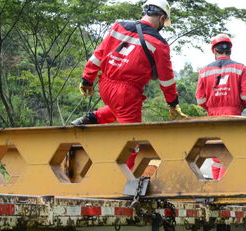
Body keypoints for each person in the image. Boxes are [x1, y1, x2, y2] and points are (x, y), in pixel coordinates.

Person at [72, 1, 188, 168]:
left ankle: (92, 118)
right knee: (132, 141)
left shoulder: (119, 26)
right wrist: (172, 102)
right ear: (162, 18)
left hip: (104, 84)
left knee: (119, 109)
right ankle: (123, 184)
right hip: (127, 92)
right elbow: (166, 79)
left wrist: (87, 79)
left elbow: (98, 55)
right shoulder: (159, 44)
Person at [196, 33, 246, 179]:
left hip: (213, 117)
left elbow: (200, 99)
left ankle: (217, 188)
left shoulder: (204, 71)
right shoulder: (241, 68)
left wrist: (211, 108)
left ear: (214, 50)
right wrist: (238, 107)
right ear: (230, 50)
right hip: (233, 114)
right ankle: (225, 189)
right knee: (231, 153)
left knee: (217, 155)